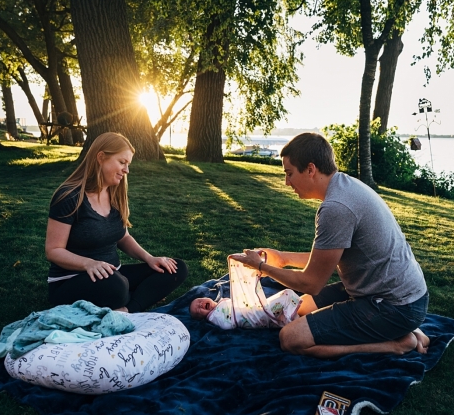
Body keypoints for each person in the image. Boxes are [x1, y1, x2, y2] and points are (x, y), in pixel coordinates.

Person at [230, 132, 430, 359]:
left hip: (393, 306)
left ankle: (396, 343)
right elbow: (327, 258)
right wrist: (282, 258)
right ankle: (405, 328)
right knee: (301, 307)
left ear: (311, 169)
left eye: (289, 174)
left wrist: (262, 268)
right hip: (392, 293)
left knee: (290, 338)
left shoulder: (336, 207)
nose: (287, 182)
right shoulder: (345, 186)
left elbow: (311, 283)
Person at [45, 132, 187, 312]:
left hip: (114, 275)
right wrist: (89, 263)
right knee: (117, 287)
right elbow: (53, 251)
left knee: (175, 269)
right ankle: (138, 298)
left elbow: (123, 237)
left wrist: (150, 258)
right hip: (72, 280)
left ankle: (126, 310)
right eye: (122, 162)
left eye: (128, 164)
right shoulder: (68, 197)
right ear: (101, 157)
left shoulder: (114, 194)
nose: (126, 170)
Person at [189, 288, 302, 329]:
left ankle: (292, 320)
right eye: (198, 309)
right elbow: (227, 324)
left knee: (286, 303)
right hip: (257, 314)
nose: (200, 305)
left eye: (199, 301)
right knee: (287, 294)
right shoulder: (214, 316)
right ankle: (286, 318)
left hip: (258, 310)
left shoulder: (220, 304)